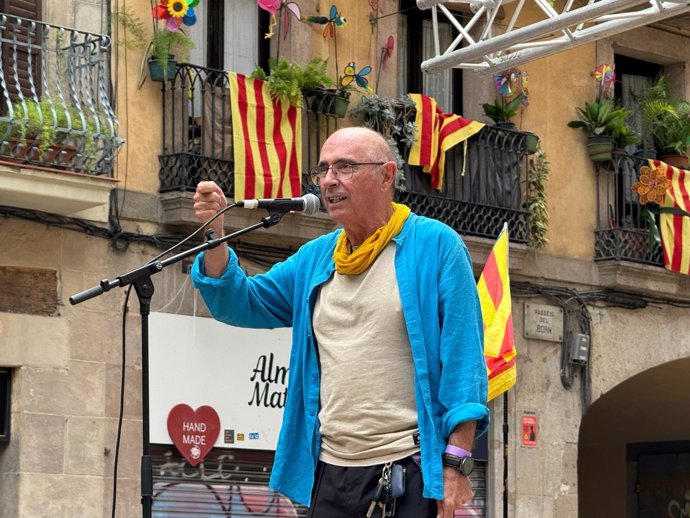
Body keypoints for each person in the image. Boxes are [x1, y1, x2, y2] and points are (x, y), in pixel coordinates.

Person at [191, 127, 489, 518]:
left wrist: (455, 466)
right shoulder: (315, 258)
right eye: (324, 170)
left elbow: (464, 367)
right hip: (330, 472)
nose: (329, 180)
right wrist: (215, 233)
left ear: (386, 175)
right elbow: (240, 302)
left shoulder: (437, 246)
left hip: (409, 470)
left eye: (345, 167)